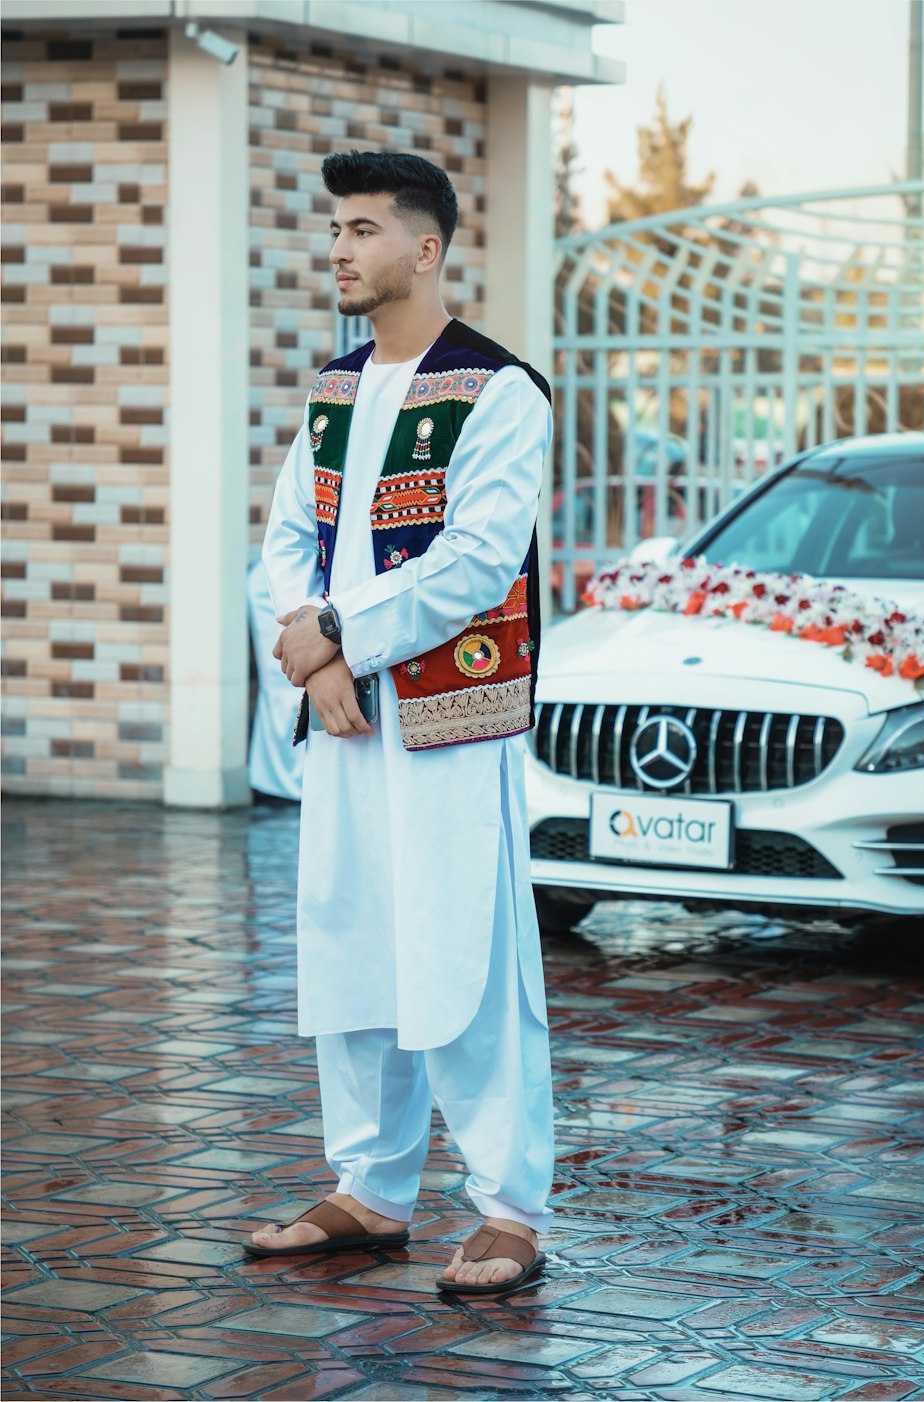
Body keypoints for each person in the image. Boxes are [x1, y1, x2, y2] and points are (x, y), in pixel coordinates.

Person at [248, 150, 555, 1294]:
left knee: (462, 956)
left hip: (448, 727)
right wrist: (315, 657)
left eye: (363, 228)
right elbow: (284, 541)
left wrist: (336, 632)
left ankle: (511, 1209)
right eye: (335, 226)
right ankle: (368, 1190)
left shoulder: (495, 389)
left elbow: (475, 562)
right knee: (352, 942)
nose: (338, 247)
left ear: (425, 249)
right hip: (346, 721)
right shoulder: (334, 388)